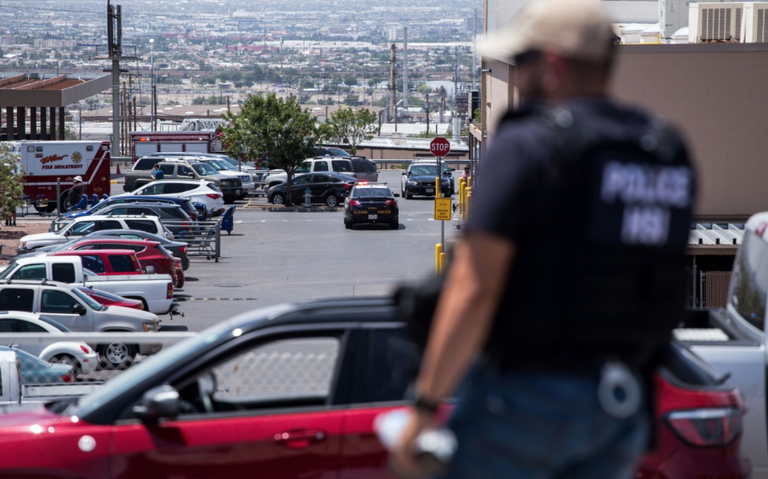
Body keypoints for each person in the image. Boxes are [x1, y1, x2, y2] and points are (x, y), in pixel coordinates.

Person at [392, 1, 696, 478]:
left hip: (527, 398)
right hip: (622, 401)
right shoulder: (664, 150)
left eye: (522, 62)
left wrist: (426, 407)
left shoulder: (530, 146)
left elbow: (474, 289)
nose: (518, 75)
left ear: (551, 64)